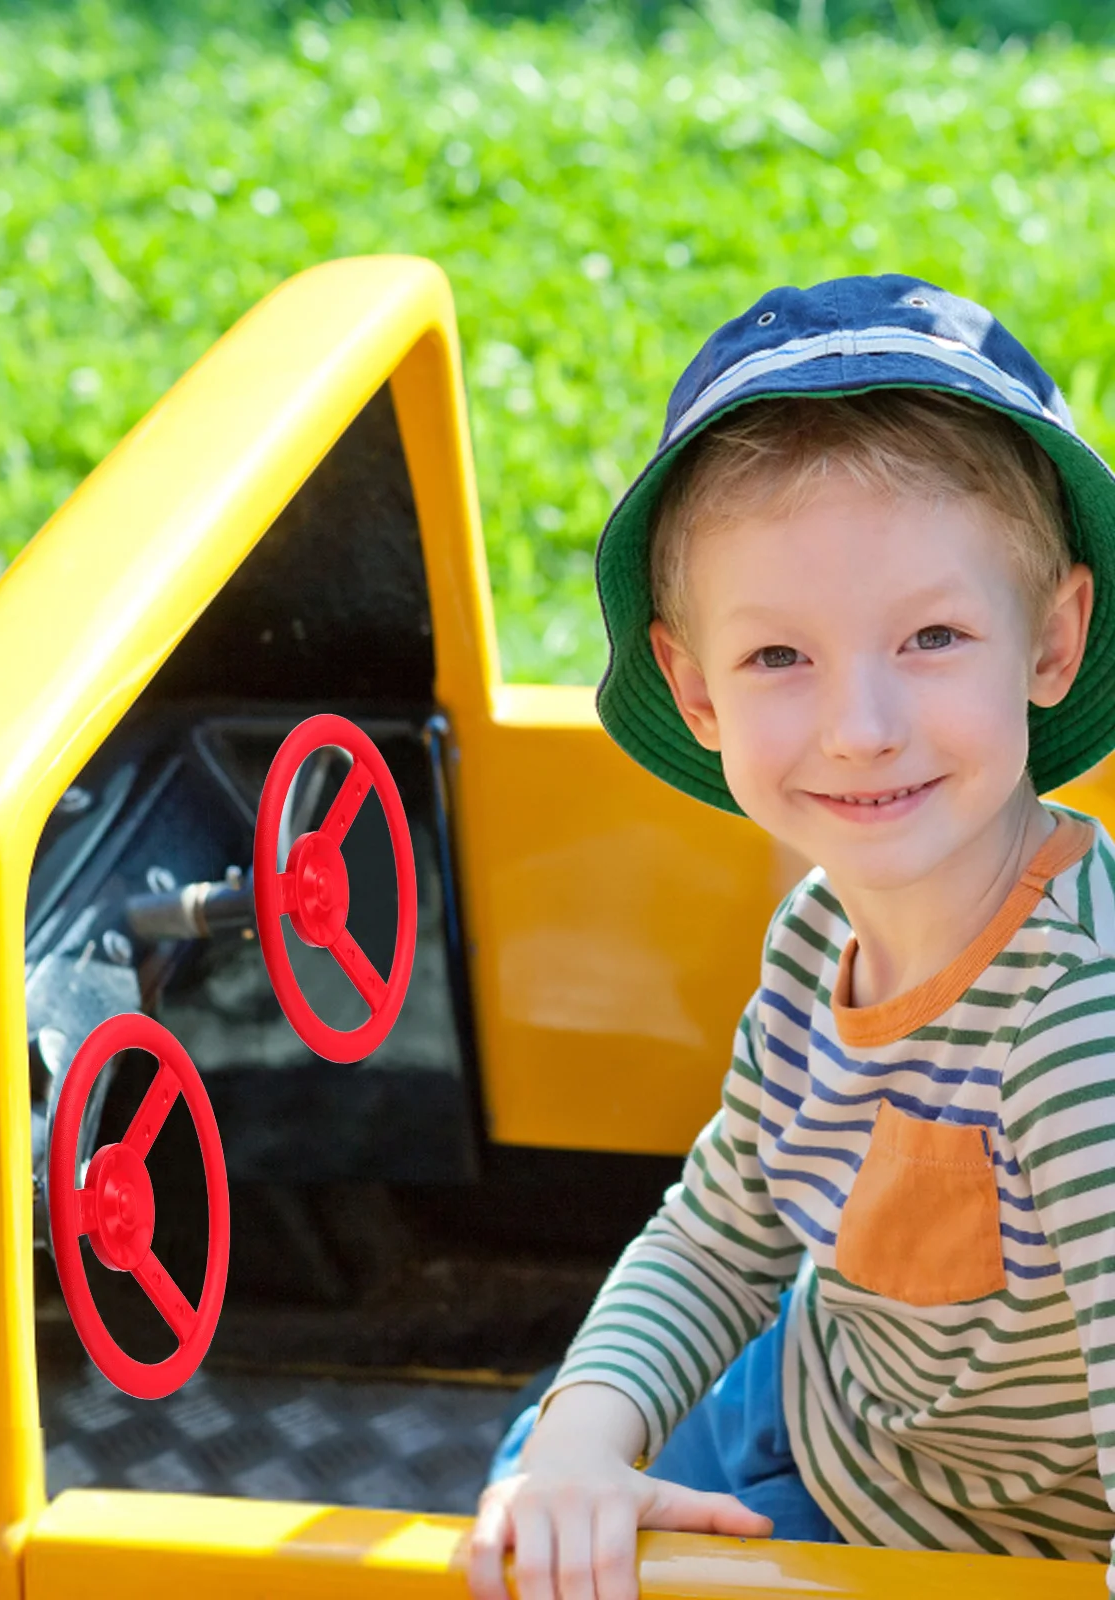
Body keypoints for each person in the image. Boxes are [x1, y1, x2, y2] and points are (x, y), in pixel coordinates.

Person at [467, 274, 1115, 1600]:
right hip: (810, 1394)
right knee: (539, 1492)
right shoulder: (819, 931)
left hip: (947, 1542)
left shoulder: (1077, 1037)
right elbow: (723, 1230)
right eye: (780, 659)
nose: (860, 727)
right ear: (695, 689)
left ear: (1051, 643)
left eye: (932, 636)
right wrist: (588, 1439)